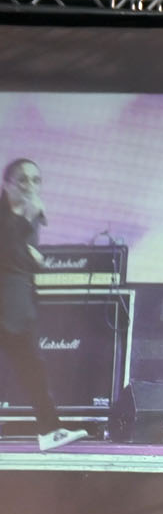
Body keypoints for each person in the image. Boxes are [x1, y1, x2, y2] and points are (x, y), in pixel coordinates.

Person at [0, 158, 84, 451]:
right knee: (31, 366)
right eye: (23, 179)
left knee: (33, 369)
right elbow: (9, 252)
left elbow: (23, 258)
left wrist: (32, 257)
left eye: (36, 180)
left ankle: (50, 430)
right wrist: (26, 228)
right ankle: (50, 428)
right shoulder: (17, 215)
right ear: (7, 183)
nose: (30, 186)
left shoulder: (32, 215)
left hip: (18, 301)